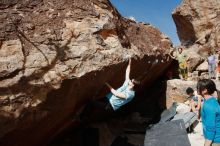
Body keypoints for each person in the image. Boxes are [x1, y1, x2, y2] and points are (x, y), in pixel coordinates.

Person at [197, 79, 220, 146]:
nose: (197, 89)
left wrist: (207, 143)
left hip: (215, 140)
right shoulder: (210, 101)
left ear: (205, 90)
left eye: (198, 87)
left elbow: (211, 127)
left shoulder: (209, 105)